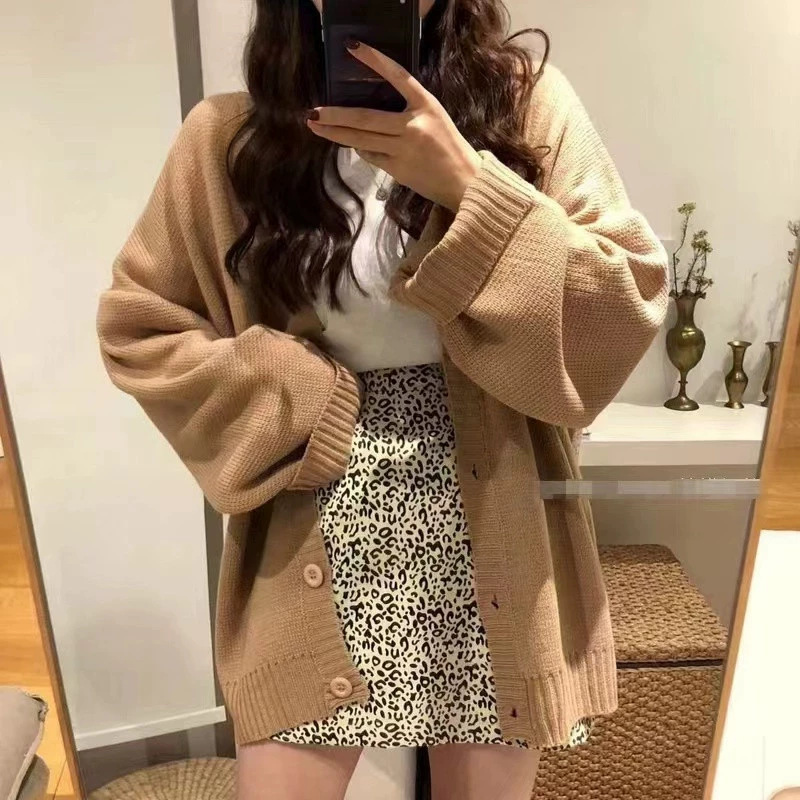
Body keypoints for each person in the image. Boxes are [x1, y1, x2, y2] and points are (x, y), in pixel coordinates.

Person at [96, 0, 668, 797]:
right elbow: (140, 327)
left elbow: (622, 309)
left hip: (494, 520)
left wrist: (470, 186)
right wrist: (297, 397)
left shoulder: (528, 108)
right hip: (312, 517)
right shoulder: (228, 139)